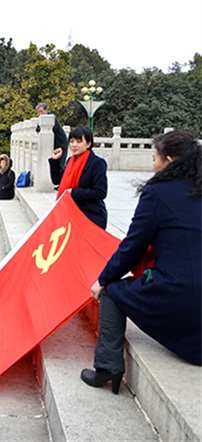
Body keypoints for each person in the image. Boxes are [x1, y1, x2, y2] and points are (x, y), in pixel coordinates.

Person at [82, 131, 202, 394]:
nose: (153, 164)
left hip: (181, 295)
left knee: (112, 292)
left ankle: (108, 366)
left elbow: (132, 247)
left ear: (170, 161)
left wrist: (103, 279)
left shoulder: (158, 194)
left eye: (154, 158)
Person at [49, 126, 108, 229]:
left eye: (79, 142)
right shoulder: (70, 161)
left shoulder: (97, 163)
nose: (74, 145)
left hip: (90, 214)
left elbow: (100, 192)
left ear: (88, 144)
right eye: (72, 141)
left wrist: (74, 192)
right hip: (70, 212)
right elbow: (57, 180)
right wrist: (55, 161)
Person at [36, 103, 69, 167]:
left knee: (60, 164)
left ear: (46, 110)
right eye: (38, 112)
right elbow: (37, 129)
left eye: (41, 111)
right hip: (54, 145)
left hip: (61, 144)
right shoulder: (41, 119)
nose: (40, 114)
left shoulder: (52, 118)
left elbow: (53, 129)